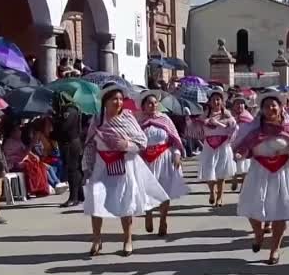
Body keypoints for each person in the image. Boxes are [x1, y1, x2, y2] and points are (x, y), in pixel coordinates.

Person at [82, 86, 169, 257]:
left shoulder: (128, 117)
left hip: (124, 164)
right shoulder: (97, 120)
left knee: (126, 201)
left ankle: (127, 239)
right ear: (105, 101)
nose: (118, 102)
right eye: (114, 99)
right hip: (102, 164)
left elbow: (142, 141)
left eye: (121, 99)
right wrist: (87, 167)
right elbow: (90, 143)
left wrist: (127, 145)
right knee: (96, 199)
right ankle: (97, 239)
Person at [234, 91, 289, 265]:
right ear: (262, 110)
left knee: (280, 212)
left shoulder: (288, 128)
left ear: (280, 108)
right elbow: (244, 146)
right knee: (252, 208)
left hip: (282, 172)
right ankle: (258, 233)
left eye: (274, 105)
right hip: (259, 171)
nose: (270, 108)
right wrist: (241, 154)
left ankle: (275, 249)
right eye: (267, 106)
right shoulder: (255, 129)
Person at [135, 90, 188, 236]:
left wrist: (177, 155)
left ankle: (163, 220)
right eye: (149, 103)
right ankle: (149, 214)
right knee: (147, 190)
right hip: (145, 160)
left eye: (154, 103)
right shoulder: (138, 122)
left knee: (164, 191)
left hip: (164, 158)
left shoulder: (165, 120)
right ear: (143, 106)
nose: (152, 106)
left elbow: (174, 140)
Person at [194, 87, 237, 207]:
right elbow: (198, 129)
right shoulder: (205, 115)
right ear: (209, 101)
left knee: (221, 172)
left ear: (222, 101)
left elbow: (234, 128)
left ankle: (220, 197)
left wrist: (224, 125)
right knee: (209, 170)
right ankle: (212, 191)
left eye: (218, 99)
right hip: (209, 146)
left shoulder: (227, 115)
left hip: (222, 145)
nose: (216, 102)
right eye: (213, 99)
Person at [52, 92, 84, 207]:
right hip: (72, 142)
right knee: (75, 170)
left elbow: (64, 128)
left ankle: (73, 198)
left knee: (72, 170)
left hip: (70, 143)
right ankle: (79, 195)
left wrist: (55, 120)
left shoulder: (69, 111)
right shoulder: (72, 110)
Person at [2, 121, 50, 197]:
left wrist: (33, 155)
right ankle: (34, 189)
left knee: (40, 165)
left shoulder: (19, 141)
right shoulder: (9, 142)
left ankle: (42, 189)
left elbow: (26, 151)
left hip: (21, 161)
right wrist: (31, 144)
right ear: (12, 133)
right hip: (13, 164)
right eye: (18, 130)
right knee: (30, 167)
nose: (20, 132)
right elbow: (23, 154)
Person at [229, 95, 254, 191]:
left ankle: (243, 186)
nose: (240, 105)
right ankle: (234, 179)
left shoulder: (248, 117)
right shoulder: (229, 116)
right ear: (233, 105)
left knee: (245, 168)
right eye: (237, 103)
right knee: (232, 166)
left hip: (244, 145)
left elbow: (253, 130)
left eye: (242, 103)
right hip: (232, 144)